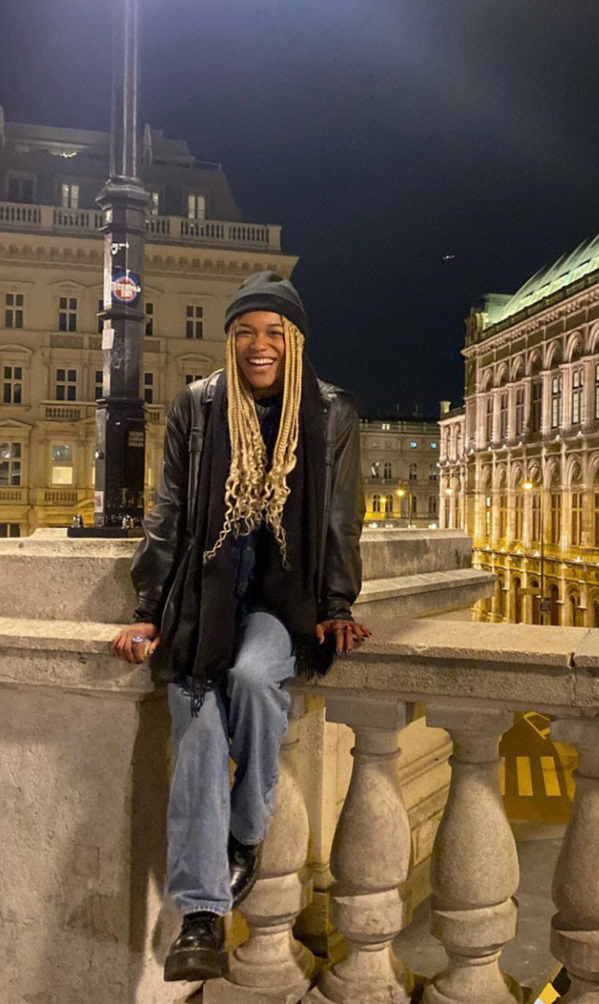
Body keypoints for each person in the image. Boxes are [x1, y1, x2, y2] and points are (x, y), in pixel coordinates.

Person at [110, 270, 369, 982]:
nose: (261, 346)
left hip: (282, 599)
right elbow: (167, 513)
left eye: (275, 333)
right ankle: (201, 914)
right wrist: (145, 610)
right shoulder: (197, 407)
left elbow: (343, 516)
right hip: (206, 592)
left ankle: (246, 832)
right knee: (195, 726)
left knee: (256, 679)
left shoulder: (331, 410)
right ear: (231, 341)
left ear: (295, 341)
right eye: (246, 332)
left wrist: (338, 603)